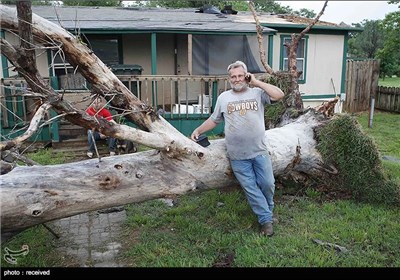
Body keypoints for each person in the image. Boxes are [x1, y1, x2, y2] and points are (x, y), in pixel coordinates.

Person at [191, 61, 284, 237]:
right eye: (233, 76)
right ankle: (266, 220)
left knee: (267, 184)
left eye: (240, 75)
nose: (237, 79)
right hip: (237, 155)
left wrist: (256, 82)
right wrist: (198, 130)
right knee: (250, 187)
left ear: (246, 75)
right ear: (229, 79)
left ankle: (267, 212)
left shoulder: (257, 93)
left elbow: (279, 95)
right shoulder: (224, 98)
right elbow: (214, 119)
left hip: (259, 150)